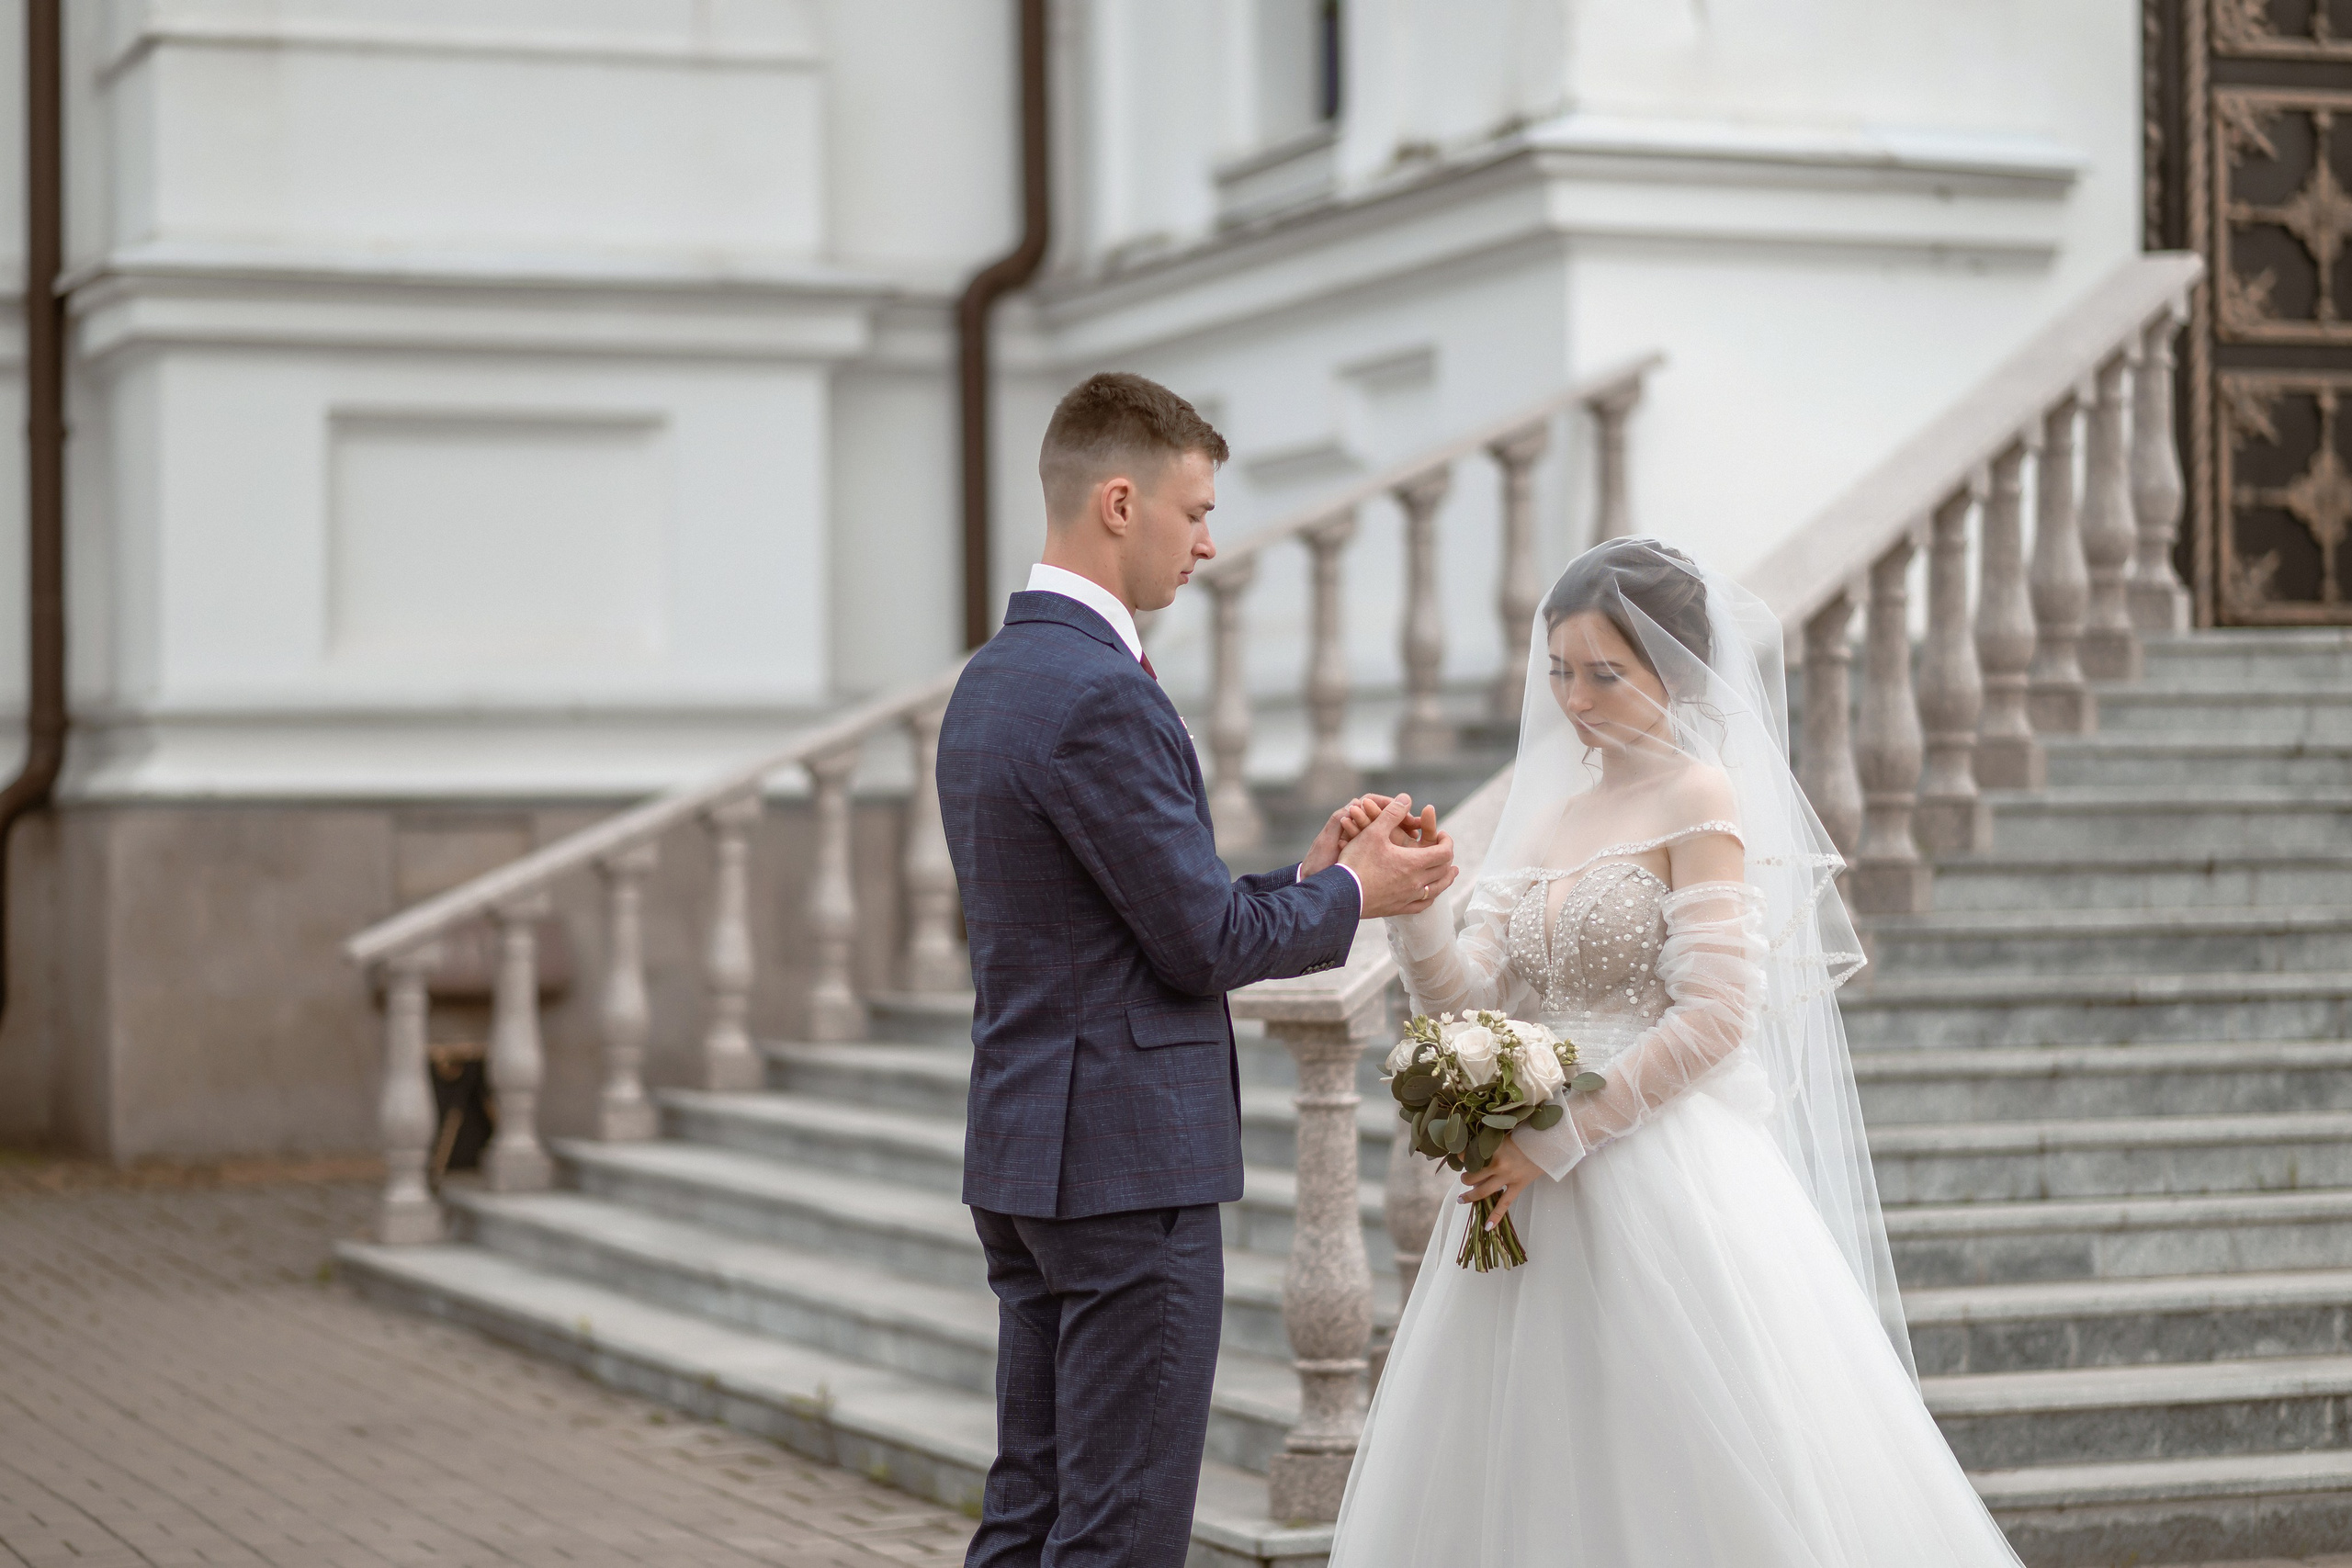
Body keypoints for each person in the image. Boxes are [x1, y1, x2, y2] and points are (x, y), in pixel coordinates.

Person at [1325, 537, 2025, 1567]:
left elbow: (1712, 1016)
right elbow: (1468, 994)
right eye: (1560, 671)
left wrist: (1553, 1142)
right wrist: (1412, 901)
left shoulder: (1700, 798)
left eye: (1605, 673)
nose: (1576, 699)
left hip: (1649, 1171)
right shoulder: (1553, 812)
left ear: (1677, 673)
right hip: (1523, 1188)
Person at [934, 372, 1459, 1568]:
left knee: (1030, 1512)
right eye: (1195, 510)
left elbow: (1128, 915)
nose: (1210, 543)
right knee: (1119, 1531)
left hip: (1030, 1149)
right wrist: (1361, 895)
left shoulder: (992, 682)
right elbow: (1201, 947)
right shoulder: (1101, 692)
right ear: (1120, 501)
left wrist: (1308, 874)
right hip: (1124, 1170)